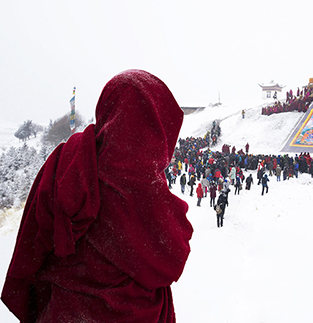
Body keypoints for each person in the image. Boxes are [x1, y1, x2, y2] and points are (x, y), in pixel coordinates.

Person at [1, 70, 193, 322]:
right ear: (155, 126)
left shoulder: (66, 163)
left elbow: (34, 247)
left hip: (63, 314)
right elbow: (171, 260)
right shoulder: (148, 193)